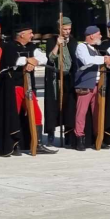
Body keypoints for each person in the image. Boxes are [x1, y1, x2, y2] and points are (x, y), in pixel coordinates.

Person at [0, 24, 55, 155]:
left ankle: (36, 143)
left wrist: (33, 62)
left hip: (28, 86)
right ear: (21, 34)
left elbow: (43, 57)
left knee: (36, 113)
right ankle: (12, 145)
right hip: (13, 86)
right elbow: (14, 61)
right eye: (30, 33)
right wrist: (28, 60)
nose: (32, 35)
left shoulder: (31, 46)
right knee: (13, 116)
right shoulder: (9, 46)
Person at [71, 26, 110, 151]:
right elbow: (86, 60)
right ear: (91, 36)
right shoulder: (81, 47)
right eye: (99, 34)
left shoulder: (95, 49)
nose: (101, 36)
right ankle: (79, 138)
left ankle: (98, 137)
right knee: (81, 113)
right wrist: (104, 59)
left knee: (98, 112)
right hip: (85, 85)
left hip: (98, 85)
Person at [44, 16, 74, 147]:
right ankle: (51, 132)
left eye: (69, 29)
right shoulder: (51, 41)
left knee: (69, 106)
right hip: (55, 78)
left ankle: (68, 133)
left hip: (69, 78)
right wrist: (57, 44)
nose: (67, 31)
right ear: (59, 28)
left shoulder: (73, 41)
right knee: (53, 106)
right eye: (65, 29)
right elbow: (50, 58)